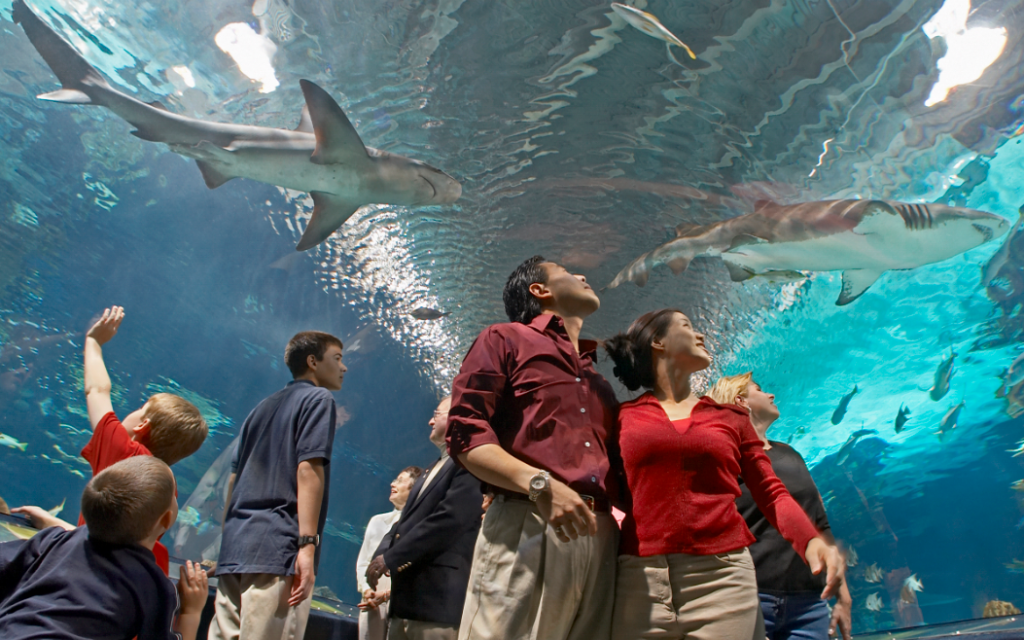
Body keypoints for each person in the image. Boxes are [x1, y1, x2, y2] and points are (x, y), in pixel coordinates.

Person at [603, 308, 845, 640]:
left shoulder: (730, 418)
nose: (700, 335)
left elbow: (771, 491)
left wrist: (811, 542)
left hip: (723, 578)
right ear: (658, 341)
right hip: (639, 579)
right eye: (687, 326)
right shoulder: (621, 417)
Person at [446, 256, 621, 640]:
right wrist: (539, 483)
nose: (583, 274)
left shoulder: (597, 379)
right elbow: (464, 433)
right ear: (539, 290)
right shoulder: (504, 338)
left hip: (602, 536)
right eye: (567, 272)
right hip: (528, 519)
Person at [13, 306, 208, 575]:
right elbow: (114, 552)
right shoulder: (166, 489)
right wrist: (53, 523)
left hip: (80, 576)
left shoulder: (125, 455)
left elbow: (97, 390)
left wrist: (93, 342)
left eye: (139, 408)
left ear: (142, 425)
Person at [210, 330, 347, 640]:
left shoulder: (259, 409)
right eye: (337, 358)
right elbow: (308, 469)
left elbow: (233, 479)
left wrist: (228, 538)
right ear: (313, 362)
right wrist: (307, 544)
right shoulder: (319, 399)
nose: (344, 367)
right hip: (277, 546)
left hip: (236, 545)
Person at [708, 373, 853, 640]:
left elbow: (820, 525)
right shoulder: (722, 457)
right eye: (759, 390)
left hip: (810, 606)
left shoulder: (791, 453)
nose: (771, 395)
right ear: (741, 401)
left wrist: (843, 597)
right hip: (748, 598)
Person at [0, 456, 209, 640]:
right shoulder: (153, 586)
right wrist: (191, 612)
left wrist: (50, 523)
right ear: (166, 519)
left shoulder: (53, 540)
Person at [367, 396, 485, 640]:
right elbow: (404, 521)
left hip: (436, 602)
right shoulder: (430, 469)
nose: (430, 421)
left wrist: (391, 557)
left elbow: (449, 519)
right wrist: (381, 554)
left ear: (456, 417)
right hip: (405, 602)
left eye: (436, 414)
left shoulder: (469, 463)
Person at [357, 466, 424, 640]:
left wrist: (388, 594)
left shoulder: (421, 526)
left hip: (401, 604)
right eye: (395, 480)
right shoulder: (377, 521)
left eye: (400, 481)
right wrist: (366, 590)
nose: (393, 484)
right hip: (372, 604)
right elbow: (363, 561)